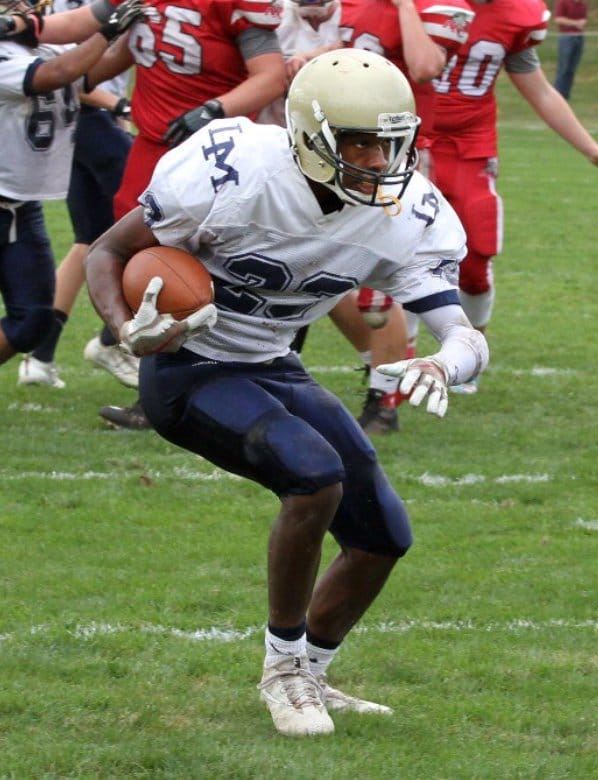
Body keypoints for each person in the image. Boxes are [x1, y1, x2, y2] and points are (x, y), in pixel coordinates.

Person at [86, 49, 489, 737]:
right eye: (358, 142)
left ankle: (315, 674)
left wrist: (443, 366)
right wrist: (128, 331)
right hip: (190, 370)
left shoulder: (406, 210)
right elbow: (107, 252)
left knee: (381, 537)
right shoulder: (233, 171)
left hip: (273, 364)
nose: (376, 159)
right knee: (313, 476)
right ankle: (281, 673)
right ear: (310, 134)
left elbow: (464, 333)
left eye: (389, 142)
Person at [7, 0, 287, 427]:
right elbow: (75, 30)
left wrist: (215, 109)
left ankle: (248, 383)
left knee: (226, 275)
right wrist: (24, 26)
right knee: (147, 275)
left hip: (220, 156)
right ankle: (154, 393)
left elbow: (270, 75)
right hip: (152, 152)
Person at [422, 0, 598, 394]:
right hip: (406, 137)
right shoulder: (423, 5)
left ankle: (468, 353)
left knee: (476, 255)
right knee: (392, 251)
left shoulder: (515, 15)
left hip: (470, 146)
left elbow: (540, 92)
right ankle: (381, 370)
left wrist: (591, 148)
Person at [331, 0, 477, 433]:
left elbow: (425, 65)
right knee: (321, 274)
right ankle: (377, 374)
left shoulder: (442, 8)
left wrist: (406, 7)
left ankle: (384, 401)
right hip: (336, 155)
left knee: (383, 288)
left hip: (392, 162)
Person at [0, 0, 143, 370]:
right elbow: (55, 74)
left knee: (32, 322)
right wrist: (109, 29)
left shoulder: (41, 42)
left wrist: (144, 33)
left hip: (21, 207)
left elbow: (86, 75)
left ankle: (42, 360)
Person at [553, 0, 588, 100]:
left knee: (572, 68)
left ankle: (565, 94)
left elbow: (584, 19)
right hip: (566, 37)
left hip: (579, 37)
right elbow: (558, 19)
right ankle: (558, 94)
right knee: (564, 67)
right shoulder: (563, 2)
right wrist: (575, 23)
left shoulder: (582, 4)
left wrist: (582, 23)